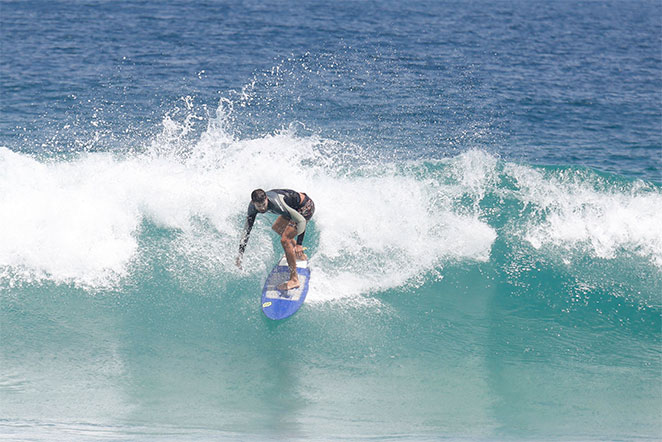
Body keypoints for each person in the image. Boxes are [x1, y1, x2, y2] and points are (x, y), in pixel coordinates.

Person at [236, 188, 315, 290]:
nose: (262, 209)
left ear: (267, 199)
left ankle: (294, 279)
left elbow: (301, 221)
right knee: (277, 228)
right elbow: (246, 232)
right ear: (253, 203)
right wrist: (240, 254)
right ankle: (298, 254)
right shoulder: (252, 208)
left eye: (264, 205)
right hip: (293, 207)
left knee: (285, 240)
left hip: (305, 206)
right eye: (259, 206)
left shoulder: (278, 204)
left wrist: (299, 244)